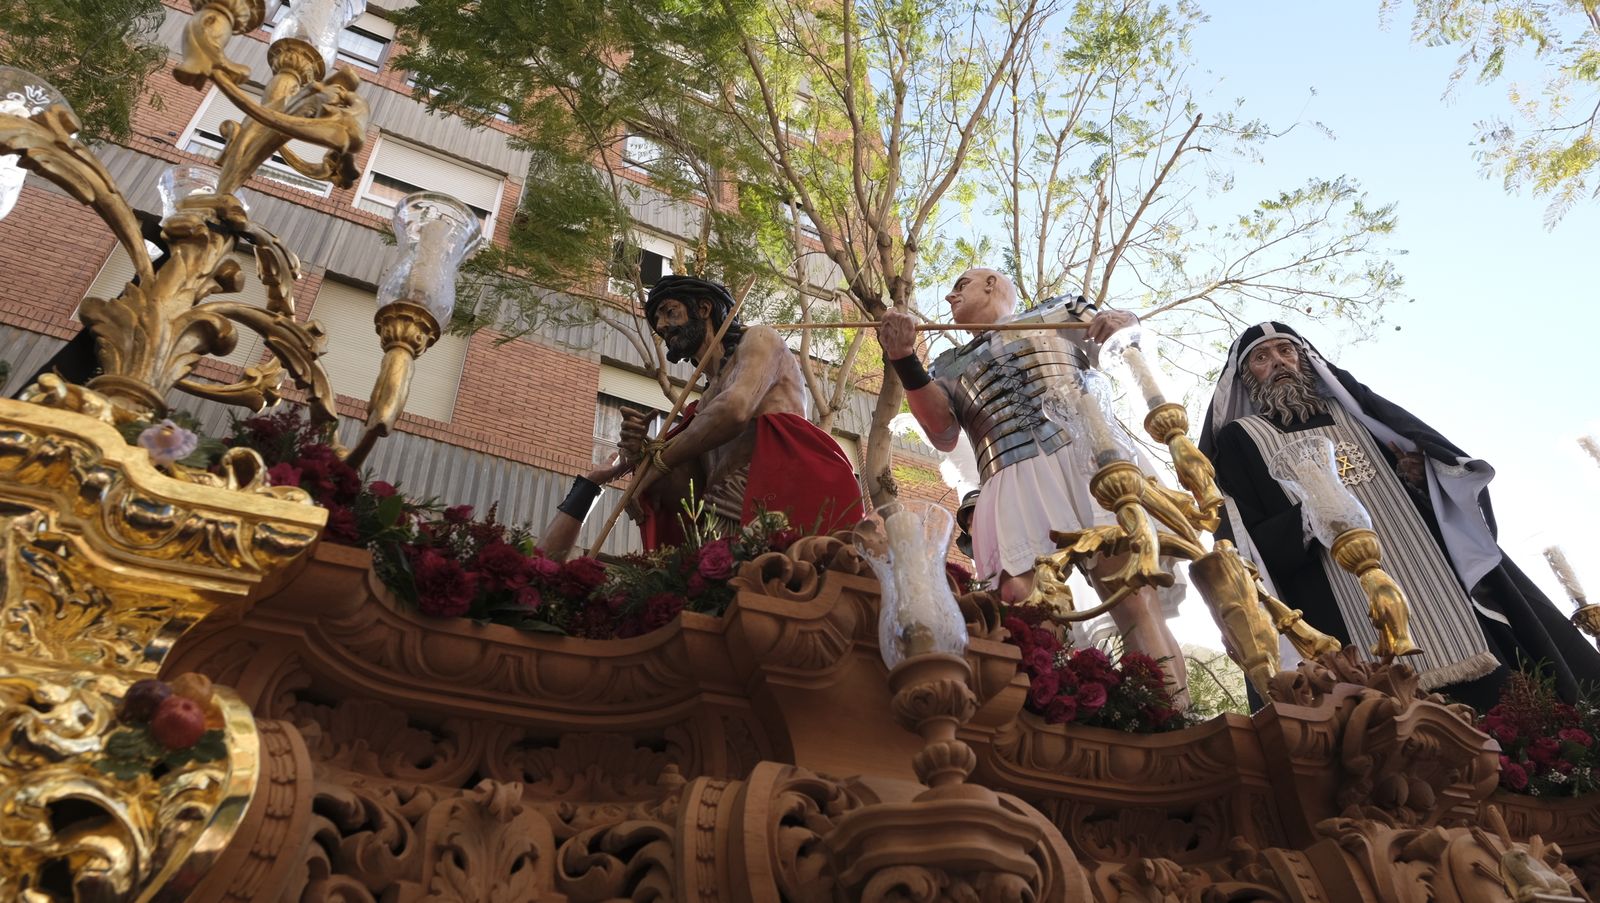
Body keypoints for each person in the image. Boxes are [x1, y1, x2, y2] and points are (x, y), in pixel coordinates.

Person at [1200, 321, 1600, 707]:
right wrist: (1312, 517)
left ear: (1304, 360)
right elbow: (1244, 541)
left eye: (1286, 350)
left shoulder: (1358, 413)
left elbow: (1433, 483)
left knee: (1501, 704)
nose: (1278, 363)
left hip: (1433, 581)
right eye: (1262, 357)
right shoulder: (1241, 438)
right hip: (1334, 600)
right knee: (1381, 717)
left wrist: (1421, 480)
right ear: (1247, 376)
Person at [877, 267, 1187, 699]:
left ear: (991, 284)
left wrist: (1126, 322)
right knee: (1029, 613)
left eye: (959, 287)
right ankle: (1060, 714)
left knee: (1131, 596)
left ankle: (1168, 716)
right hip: (1007, 479)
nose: (949, 299)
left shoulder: (1062, 311)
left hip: (1087, 457)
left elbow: (1120, 347)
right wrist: (903, 358)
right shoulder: (947, 365)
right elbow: (942, 432)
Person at [603, 275, 863, 547]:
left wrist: (658, 463)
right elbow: (686, 494)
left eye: (670, 312)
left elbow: (734, 410)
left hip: (776, 508)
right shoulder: (701, 406)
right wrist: (640, 453)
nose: (662, 326)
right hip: (719, 521)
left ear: (704, 309)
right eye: (657, 321)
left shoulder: (759, 338)